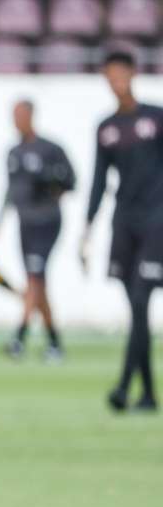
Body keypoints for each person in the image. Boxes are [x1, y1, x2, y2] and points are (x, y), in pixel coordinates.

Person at [83, 50, 163, 413]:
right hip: (124, 223)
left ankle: (123, 386)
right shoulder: (106, 128)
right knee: (137, 310)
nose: (115, 81)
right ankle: (148, 396)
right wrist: (87, 226)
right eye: (110, 76)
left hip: (156, 221)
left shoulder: (156, 118)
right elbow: (99, 181)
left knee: (142, 300)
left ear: (132, 74)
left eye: (120, 74)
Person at [0, 99, 75, 362]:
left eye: (21, 115)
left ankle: (19, 338)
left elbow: (71, 181)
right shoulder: (13, 153)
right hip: (25, 223)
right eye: (14, 115)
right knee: (37, 281)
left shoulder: (51, 149)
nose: (17, 121)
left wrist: (50, 185)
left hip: (46, 222)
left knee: (34, 279)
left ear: (31, 115)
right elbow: (10, 190)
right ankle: (54, 343)